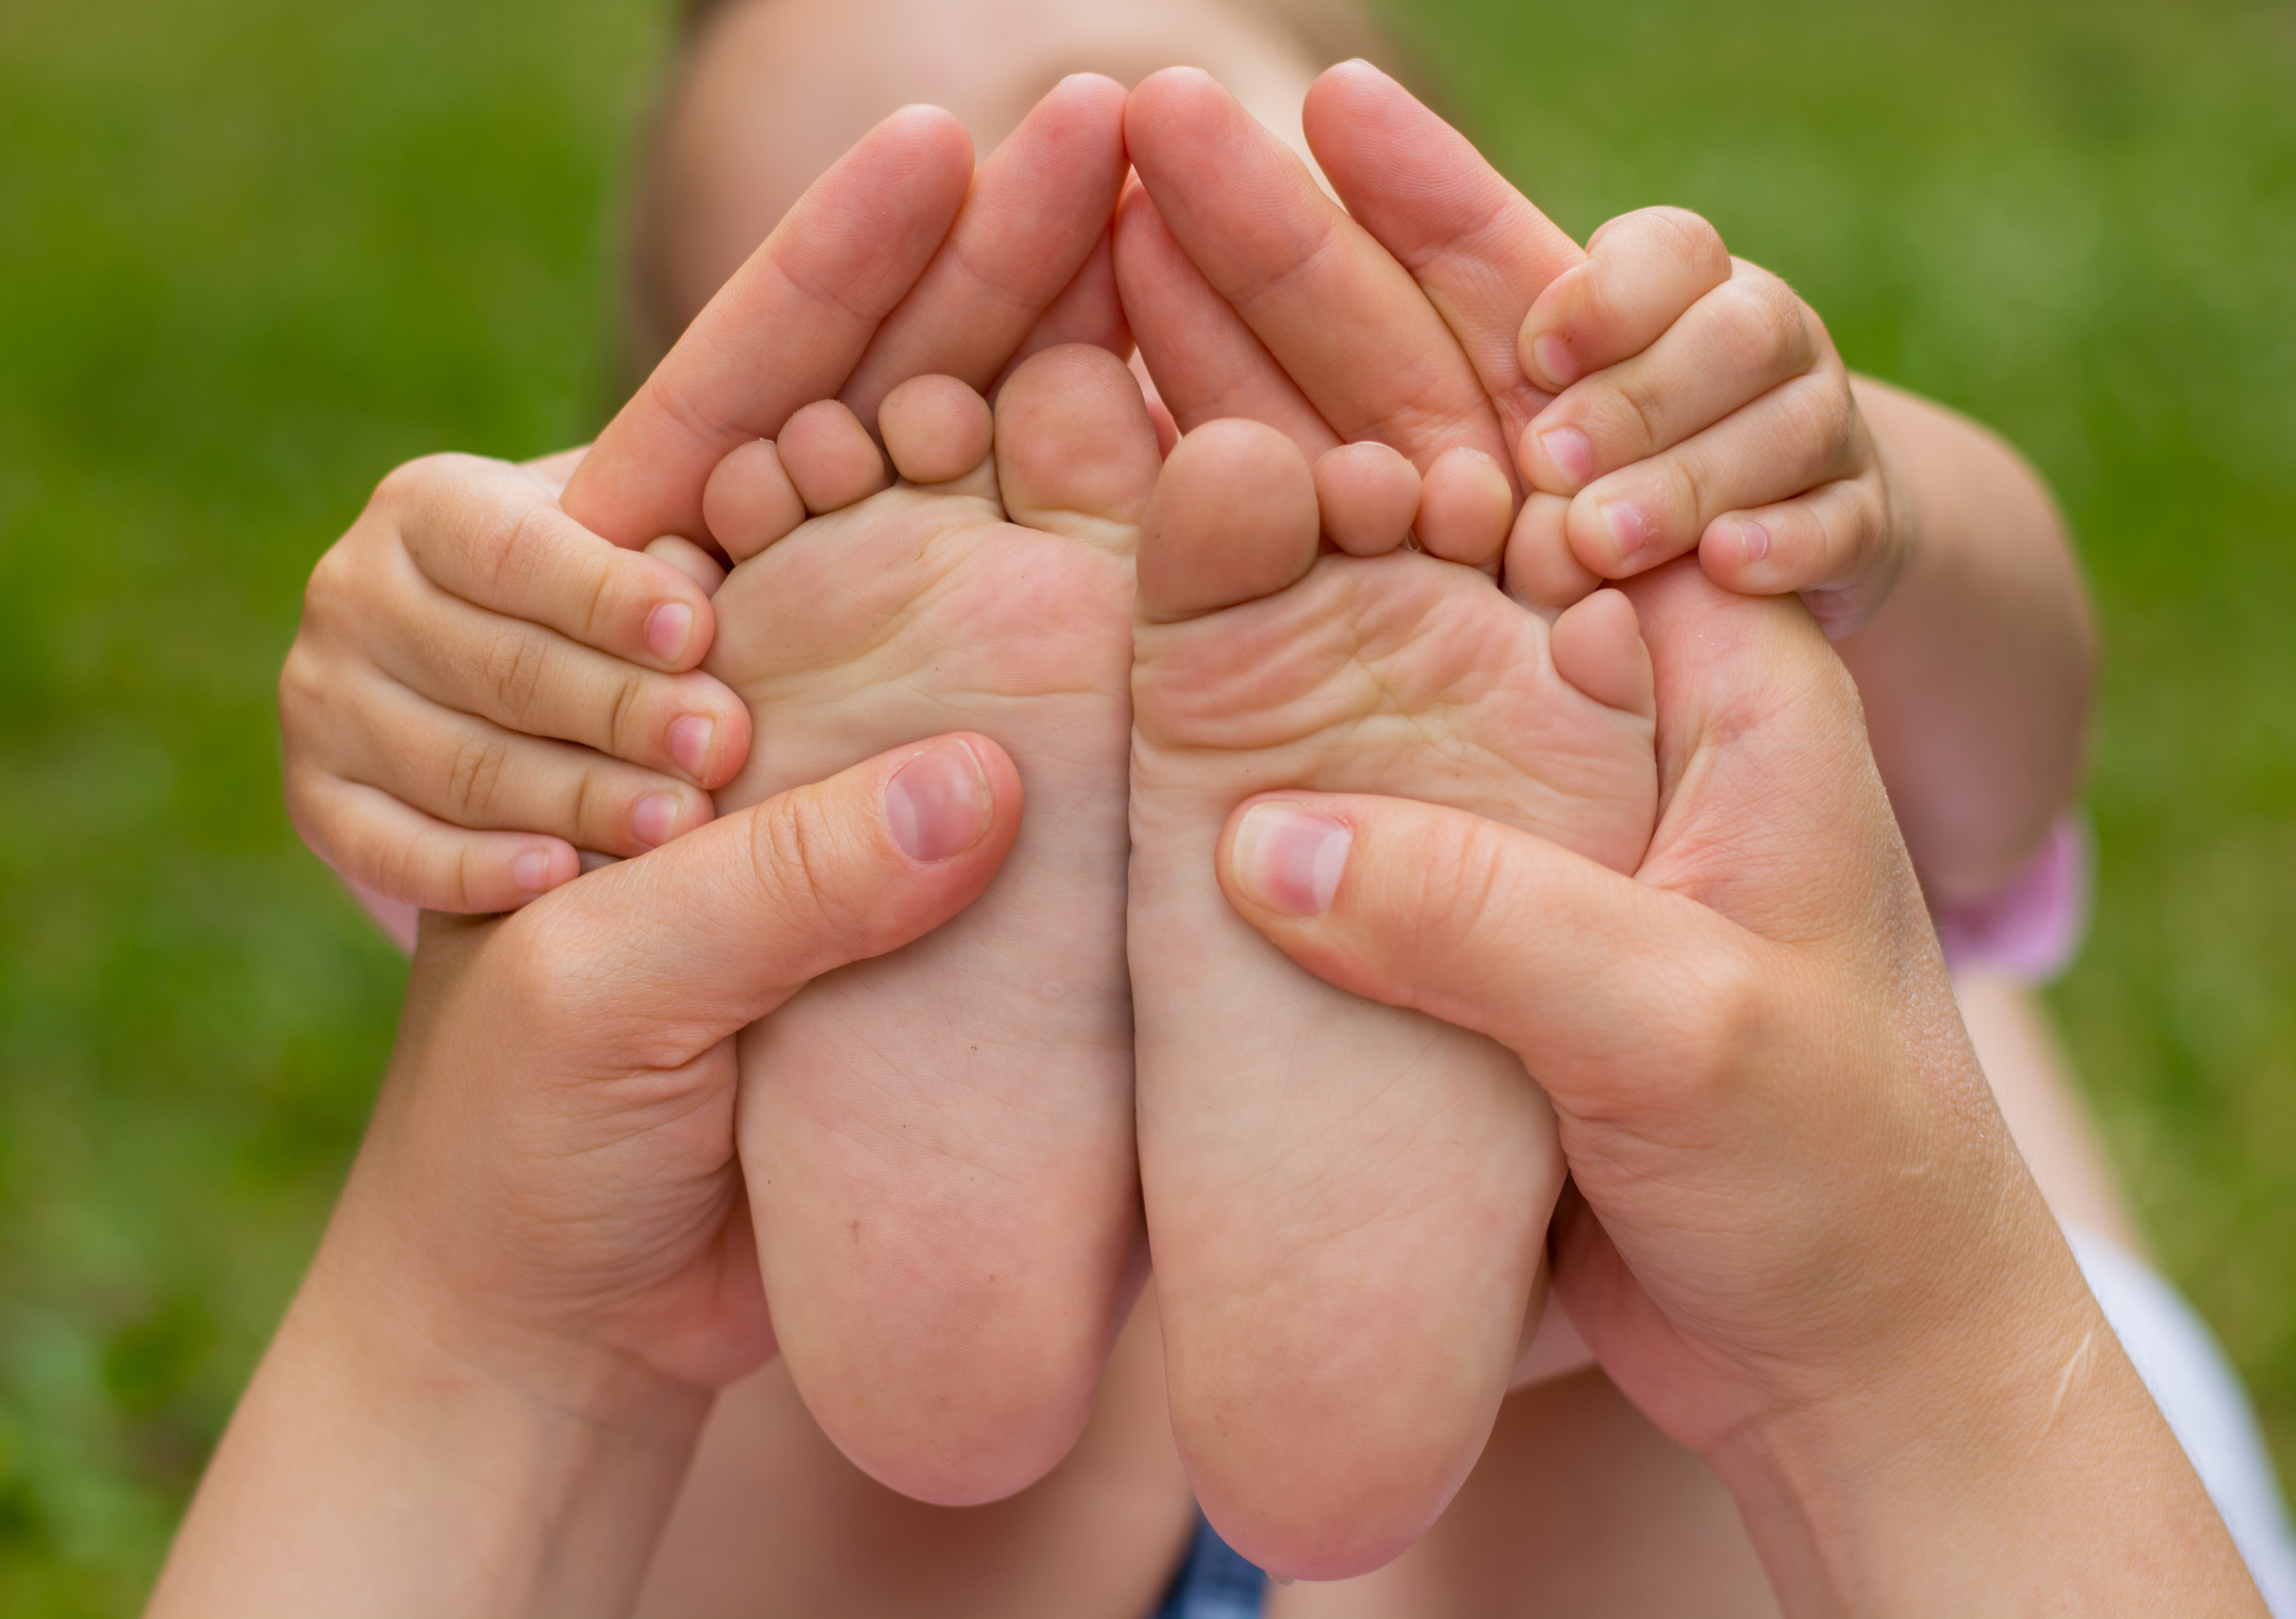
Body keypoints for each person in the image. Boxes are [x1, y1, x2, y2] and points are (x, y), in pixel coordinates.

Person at [256, 3, 2296, 1612]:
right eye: (899, 317)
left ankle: (1434, 1105)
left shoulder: (1628, 635)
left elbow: (1996, 725)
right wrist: (482, 661)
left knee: (1743, 876)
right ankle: (951, 1157)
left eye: (1180, 191)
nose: (1076, 324)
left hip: (1869, 1482)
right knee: (608, 1053)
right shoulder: (700, 747)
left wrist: (1857, 506)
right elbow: (524, 786)